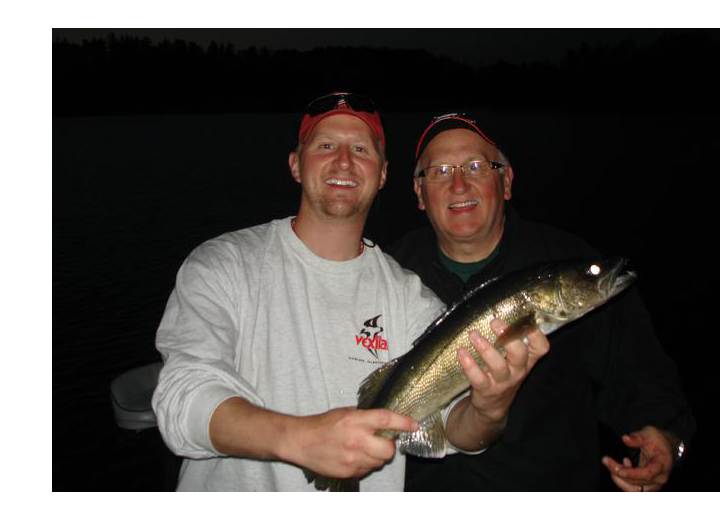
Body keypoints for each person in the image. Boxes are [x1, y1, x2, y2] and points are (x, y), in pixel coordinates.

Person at [151, 94, 550, 491]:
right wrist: (298, 438)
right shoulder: (223, 263)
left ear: (382, 175)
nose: (344, 161)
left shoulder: (412, 299)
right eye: (326, 146)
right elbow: (181, 399)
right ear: (295, 164)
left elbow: (452, 430)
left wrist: (490, 407)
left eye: (360, 149)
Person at [386, 112, 696, 492]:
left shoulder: (567, 262)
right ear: (419, 194)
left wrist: (664, 433)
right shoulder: (388, 271)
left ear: (507, 181)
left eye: (476, 166)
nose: (459, 184)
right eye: (440, 171)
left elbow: (637, 368)